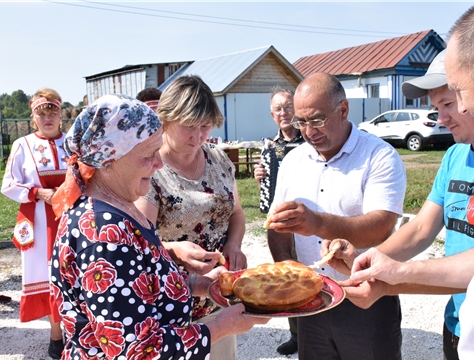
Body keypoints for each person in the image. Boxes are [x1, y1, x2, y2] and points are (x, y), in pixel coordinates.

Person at [344, 1, 474, 358]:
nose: (456, 111)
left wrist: (394, 276)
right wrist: (375, 263)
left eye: (457, 95)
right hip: (461, 325)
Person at [49, 93, 268, 359]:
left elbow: (138, 285)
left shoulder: (118, 205)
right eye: (148, 155)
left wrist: (195, 284)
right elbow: (136, 350)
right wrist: (221, 327)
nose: (159, 163)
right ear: (109, 161)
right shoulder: (104, 235)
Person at [326, 49, 474, 360]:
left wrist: (393, 277)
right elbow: (421, 229)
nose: (442, 117)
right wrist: (369, 259)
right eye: (436, 107)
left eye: (449, 103)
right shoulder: (455, 156)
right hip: (458, 322)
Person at [267, 72, 406, 360]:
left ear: (343, 110)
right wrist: (285, 266)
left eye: (317, 120)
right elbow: (277, 222)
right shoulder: (293, 160)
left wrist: (317, 223)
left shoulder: (379, 156)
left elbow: (380, 226)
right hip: (311, 299)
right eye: (301, 122)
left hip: (366, 296)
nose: (308, 130)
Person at [135, 75, 246, 360]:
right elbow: (138, 242)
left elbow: (236, 212)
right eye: (188, 127)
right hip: (170, 306)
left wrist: (233, 245)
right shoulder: (150, 167)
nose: (198, 137)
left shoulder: (218, 159)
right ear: (166, 119)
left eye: (205, 126)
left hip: (217, 298)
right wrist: (174, 252)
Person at [1, 88, 67, 359]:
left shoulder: (73, 142)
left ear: (60, 114)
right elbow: (8, 185)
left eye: (52, 111)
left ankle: (80, 330)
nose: (47, 117)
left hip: (72, 217)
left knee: (73, 271)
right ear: (33, 117)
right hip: (39, 219)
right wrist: (37, 193)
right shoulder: (23, 145)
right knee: (48, 276)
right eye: (41, 112)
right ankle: (56, 336)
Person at [252, 87, 304, 355]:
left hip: (308, 219)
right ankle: (297, 334)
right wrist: (260, 174)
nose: (284, 113)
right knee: (288, 277)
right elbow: (267, 183)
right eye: (278, 109)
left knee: (313, 272)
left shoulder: (309, 141)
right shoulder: (269, 145)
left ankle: (317, 330)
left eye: (288, 106)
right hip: (281, 222)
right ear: (272, 115)